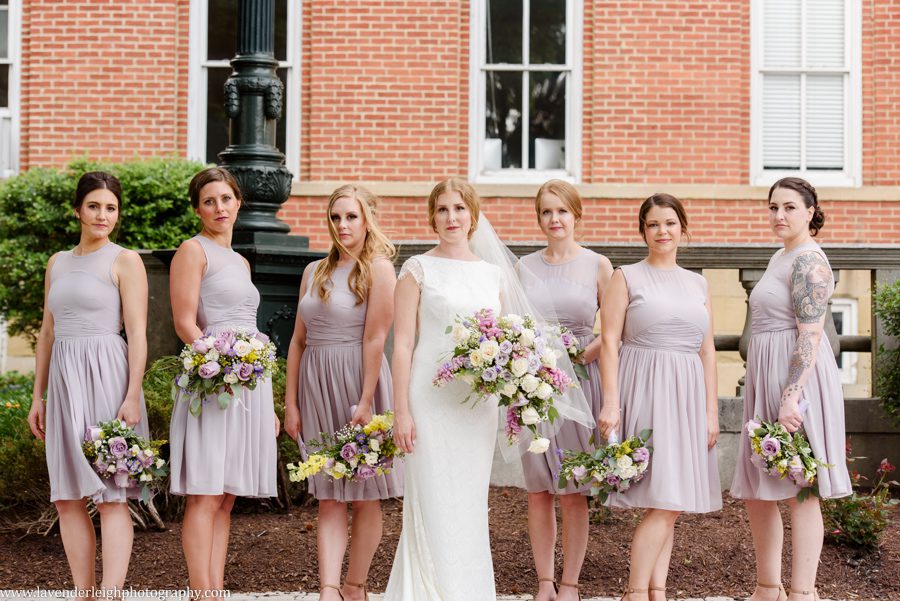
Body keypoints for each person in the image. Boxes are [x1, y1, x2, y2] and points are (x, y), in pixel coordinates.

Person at [28, 171, 150, 597]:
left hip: (107, 378)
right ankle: (84, 591)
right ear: (78, 210)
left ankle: (112, 592)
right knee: (66, 496)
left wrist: (132, 395)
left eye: (111, 207)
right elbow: (47, 333)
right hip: (64, 382)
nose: (103, 215)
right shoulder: (57, 262)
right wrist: (36, 396)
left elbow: (137, 332)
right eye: (94, 206)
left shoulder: (125, 260)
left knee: (111, 494)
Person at [730, 177, 851, 601]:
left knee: (802, 487)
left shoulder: (809, 262)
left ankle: (802, 592)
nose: (778, 215)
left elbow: (810, 335)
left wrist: (790, 396)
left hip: (796, 383)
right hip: (767, 376)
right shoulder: (781, 256)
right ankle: (768, 587)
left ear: (810, 211)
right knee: (760, 490)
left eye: (789, 208)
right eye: (773, 207)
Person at [597, 193, 721, 601]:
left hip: (687, 393)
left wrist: (710, 411)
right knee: (665, 499)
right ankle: (635, 593)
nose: (662, 231)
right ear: (643, 231)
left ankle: (657, 591)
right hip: (646, 386)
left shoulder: (698, 282)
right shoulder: (626, 276)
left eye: (669, 223)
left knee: (674, 500)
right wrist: (611, 402)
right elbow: (610, 342)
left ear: (683, 228)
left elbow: (707, 350)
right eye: (653, 224)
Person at [384, 178, 502, 601]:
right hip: (429, 399)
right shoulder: (417, 269)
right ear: (432, 217)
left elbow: (502, 339)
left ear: (473, 216)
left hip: (476, 404)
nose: (451, 217)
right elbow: (402, 346)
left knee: (469, 504)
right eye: (443, 209)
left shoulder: (493, 274)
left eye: (459, 209)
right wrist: (401, 411)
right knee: (433, 498)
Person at [283, 185, 403, 601]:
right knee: (329, 495)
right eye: (335, 217)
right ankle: (328, 589)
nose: (343, 225)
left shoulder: (380, 270)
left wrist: (367, 401)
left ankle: (355, 585)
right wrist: (290, 402)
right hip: (315, 383)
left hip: (358, 380)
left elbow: (376, 340)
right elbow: (297, 341)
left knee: (366, 494)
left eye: (351, 216)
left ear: (367, 219)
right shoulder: (313, 270)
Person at [168, 167, 279, 596]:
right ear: (198, 208)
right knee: (206, 493)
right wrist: (221, 366)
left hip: (249, 385)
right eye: (209, 201)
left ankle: (216, 588)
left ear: (238, 203)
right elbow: (183, 322)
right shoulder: (192, 251)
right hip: (212, 384)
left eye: (226, 199)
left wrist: (264, 401)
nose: (220, 208)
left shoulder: (241, 261)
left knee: (227, 496)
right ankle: (201, 592)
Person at [517, 179, 612, 601]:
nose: (554, 219)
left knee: (574, 489)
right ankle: (544, 582)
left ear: (576, 215)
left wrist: (584, 354)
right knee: (538, 489)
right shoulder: (523, 267)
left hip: (580, 381)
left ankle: (570, 582)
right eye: (546, 212)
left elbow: (613, 330)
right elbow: (514, 326)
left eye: (562, 211)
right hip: (535, 387)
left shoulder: (598, 265)